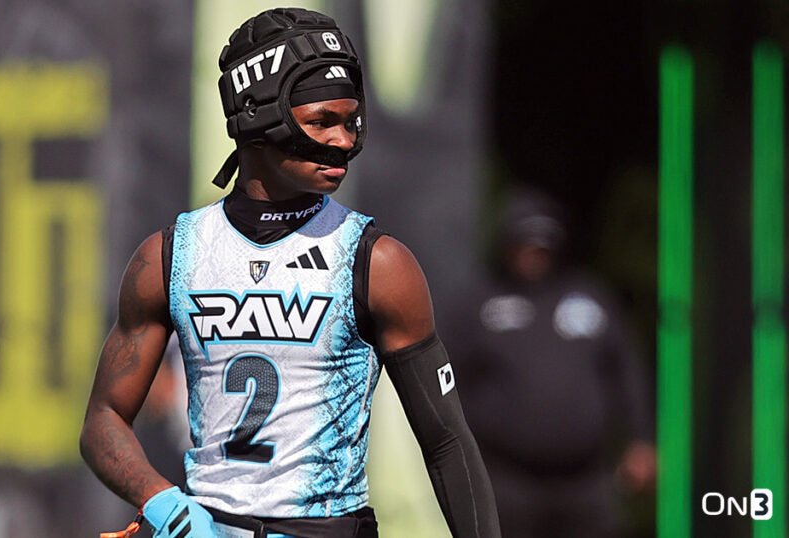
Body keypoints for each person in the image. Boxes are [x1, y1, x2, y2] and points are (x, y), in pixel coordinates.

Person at [80, 8, 500, 538]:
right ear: (257, 115)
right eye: (322, 121)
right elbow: (103, 420)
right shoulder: (170, 255)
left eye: (351, 121)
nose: (343, 140)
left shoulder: (377, 261)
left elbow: (447, 442)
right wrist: (162, 502)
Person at [444, 188, 656, 538]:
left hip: (586, 480)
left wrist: (640, 439)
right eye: (524, 245)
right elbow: (447, 378)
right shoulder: (478, 303)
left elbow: (626, 371)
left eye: (541, 246)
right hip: (506, 478)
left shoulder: (590, 297)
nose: (533, 255)